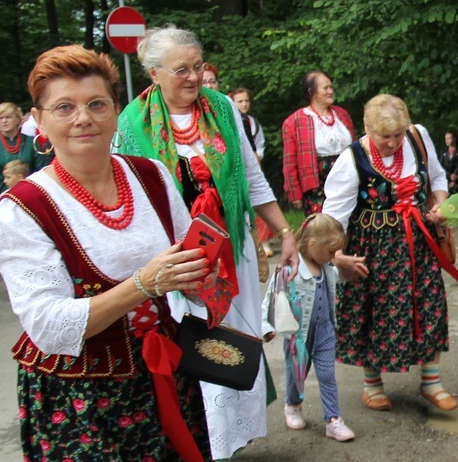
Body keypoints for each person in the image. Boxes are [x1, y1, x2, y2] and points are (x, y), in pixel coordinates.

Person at [0, 44, 217, 461]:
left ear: (116, 111)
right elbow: (48, 325)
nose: (83, 118)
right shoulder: (25, 206)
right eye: (64, 107)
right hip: (81, 393)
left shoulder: (151, 174)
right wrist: (142, 285)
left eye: (97, 104)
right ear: (38, 120)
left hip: (165, 369)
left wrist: (202, 275)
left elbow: (188, 258)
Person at [117, 25, 299, 461]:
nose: (194, 77)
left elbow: (252, 180)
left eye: (198, 66)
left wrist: (285, 232)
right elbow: (128, 193)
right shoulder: (131, 122)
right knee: (193, 354)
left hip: (229, 253)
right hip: (178, 263)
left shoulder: (220, 108)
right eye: (182, 69)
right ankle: (203, 446)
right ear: (154, 73)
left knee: (232, 348)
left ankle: (229, 443)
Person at [322, 94, 458, 413]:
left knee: (430, 304)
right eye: (385, 136)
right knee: (373, 310)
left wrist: (440, 203)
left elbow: (437, 176)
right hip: (372, 248)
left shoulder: (418, 136)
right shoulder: (352, 158)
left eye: (398, 134)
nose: (394, 142)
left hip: (420, 242)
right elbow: (334, 217)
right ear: (367, 128)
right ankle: (372, 387)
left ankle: (432, 383)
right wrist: (337, 256)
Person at [261, 213, 355, 441]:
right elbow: (271, 299)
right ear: (313, 245)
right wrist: (266, 326)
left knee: (327, 374)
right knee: (296, 374)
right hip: (297, 336)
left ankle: (333, 420)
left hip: (325, 331)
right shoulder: (288, 270)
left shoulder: (326, 269)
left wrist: (349, 271)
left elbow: (337, 278)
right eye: (331, 252)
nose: (334, 257)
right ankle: (292, 405)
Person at [282, 71, 356, 215]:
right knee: (323, 231)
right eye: (325, 88)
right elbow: (289, 162)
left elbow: (357, 146)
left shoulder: (341, 114)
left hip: (347, 180)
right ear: (311, 92)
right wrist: (294, 192)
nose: (330, 91)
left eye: (331, 87)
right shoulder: (294, 121)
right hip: (317, 186)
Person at [0, 102, 50, 217]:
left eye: (8, 117)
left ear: (18, 120)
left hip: (29, 198)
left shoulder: (31, 142)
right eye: (1, 118)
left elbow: (41, 171)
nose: (4, 121)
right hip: (1, 197)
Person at [229, 87, 274, 256]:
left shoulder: (252, 122)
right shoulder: (229, 121)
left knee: (259, 201)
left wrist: (257, 157)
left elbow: (259, 143)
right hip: (236, 168)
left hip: (254, 165)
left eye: (246, 100)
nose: (244, 104)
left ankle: (265, 241)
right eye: (240, 101)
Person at [439, 131, 458, 195]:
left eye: (449, 138)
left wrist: (454, 178)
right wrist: (449, 175)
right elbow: (441, 165)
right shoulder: (443, 151)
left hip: (457, 178)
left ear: (454, 139)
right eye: (445, 139)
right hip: (445, 178)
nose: (446, 141)